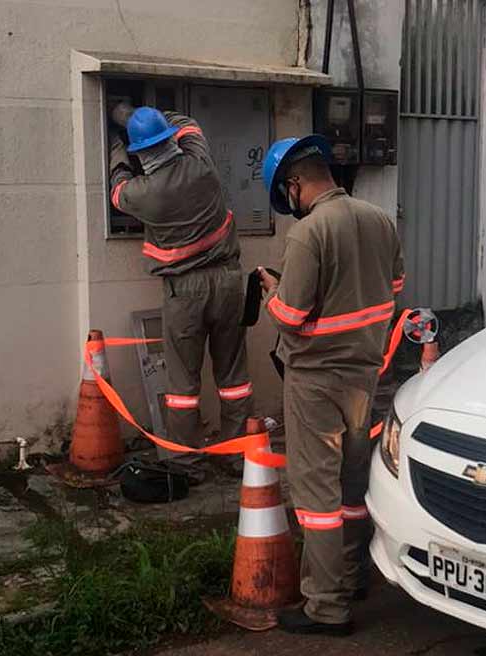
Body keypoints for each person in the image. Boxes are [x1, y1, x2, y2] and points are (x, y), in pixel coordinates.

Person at [258, 135, 405, 636]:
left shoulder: (309, 234)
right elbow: (395, 289)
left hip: (315, 380)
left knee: (316, 493)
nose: (291, 207)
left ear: (295, 183)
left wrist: (274, 293)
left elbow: (292, 317)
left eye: (288, 196)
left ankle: (326, 605)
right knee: (351, 484)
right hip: (365, 374)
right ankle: (355, 575)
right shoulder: (379, 219)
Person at [109, 107, 252, 449]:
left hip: (185, 291)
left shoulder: (144, 193)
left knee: (183, 383)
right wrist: (140, 114)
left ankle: (187, 460)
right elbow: (189, 126)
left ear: (141, 152)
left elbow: (117, 189)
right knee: (234, 378)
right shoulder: (201, 165)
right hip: (229, 281)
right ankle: (234, 453)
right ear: (168, 140)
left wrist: (118, 136)